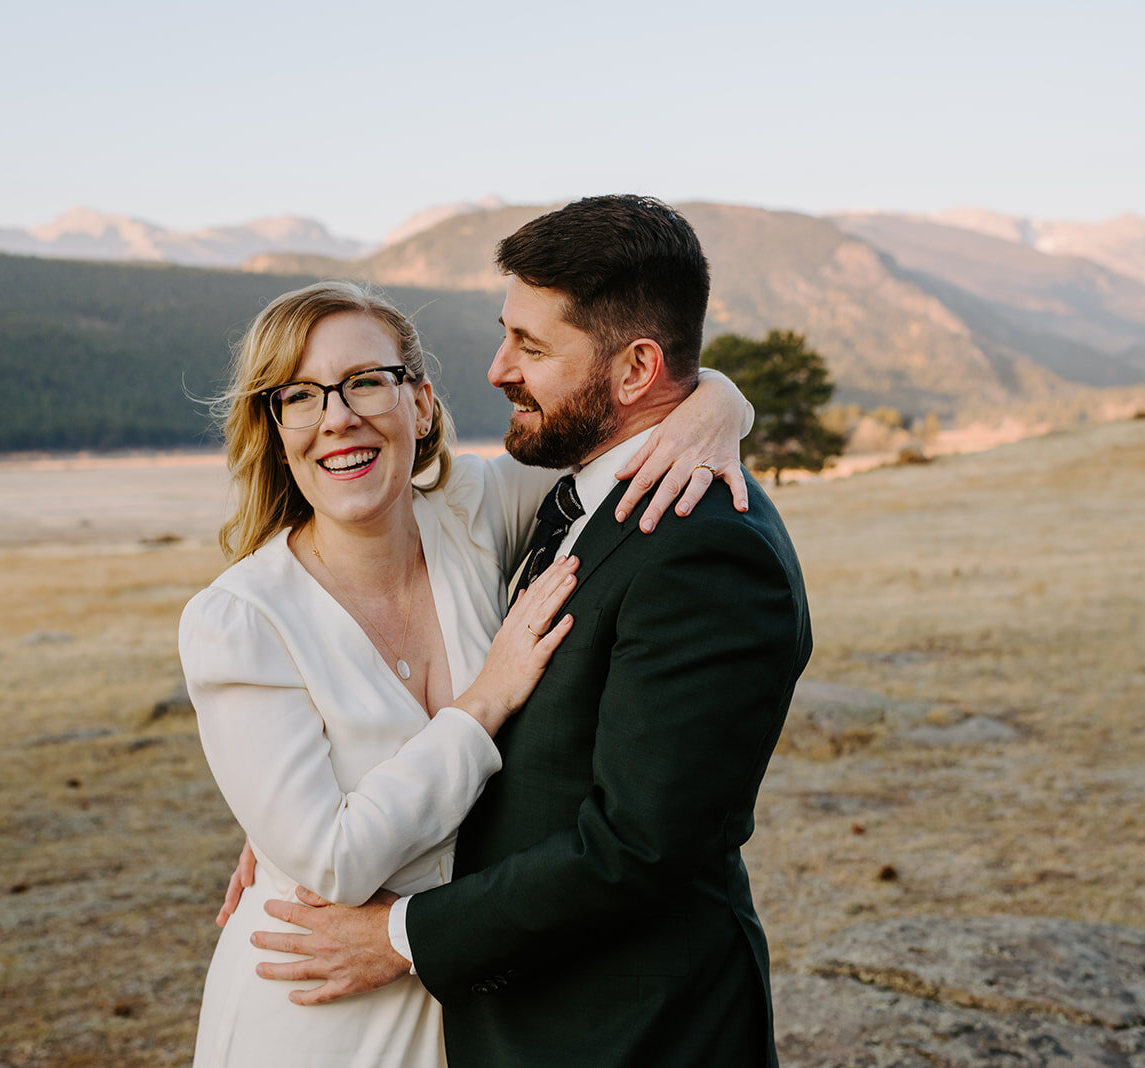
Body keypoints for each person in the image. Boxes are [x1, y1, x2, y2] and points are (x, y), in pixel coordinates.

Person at [245, 196, 812, 1067]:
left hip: (631, 1034)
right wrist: (285, 807)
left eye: (532, 347)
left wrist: (399, 935)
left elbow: (638, 845)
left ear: (635, 371)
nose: (500, 368)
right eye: (506, 333)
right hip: (512, 1019)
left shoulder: (707, 552)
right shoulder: (561, 493)